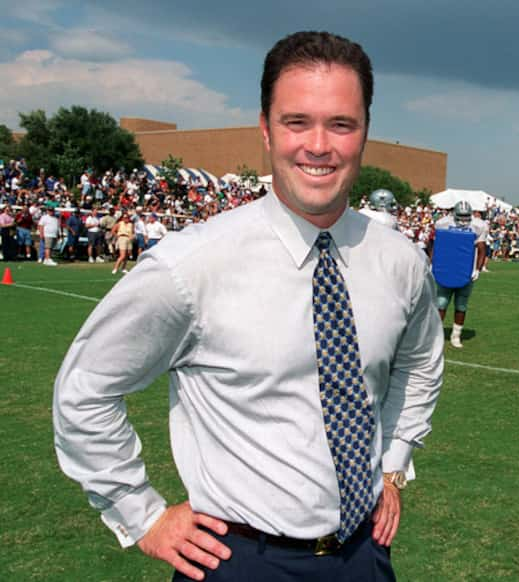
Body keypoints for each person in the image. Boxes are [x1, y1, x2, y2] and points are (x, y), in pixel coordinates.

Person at [54, 30, 443, 581]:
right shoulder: (192, 265)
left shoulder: (399, 259)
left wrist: (393, 463)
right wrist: (141, 514)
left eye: (341, 124)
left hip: (363, 554)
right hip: (239, 559)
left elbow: (421, 361)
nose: (318, 145)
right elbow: (84, 390)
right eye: (296, 122)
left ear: (364, 133)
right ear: (265, 129)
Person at [431, 201, 488, 348]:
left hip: (466, 270)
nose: (463, 219)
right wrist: (433, 263)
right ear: (454, 214)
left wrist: (477, 269)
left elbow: (482, 249)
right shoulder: (443, 223)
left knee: (461, 304)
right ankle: (435, 335)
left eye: (466, 216)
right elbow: (435, 243)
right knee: (441, 303)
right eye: (460, 216)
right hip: (446, 268)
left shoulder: (479, 225)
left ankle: (456, 335)